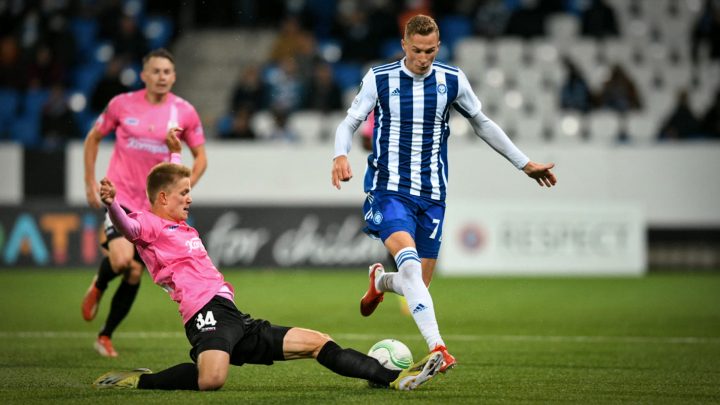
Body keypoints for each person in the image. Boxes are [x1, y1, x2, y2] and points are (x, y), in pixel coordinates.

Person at [91, 136, 443, 391]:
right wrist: (112, 205)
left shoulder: (180, 225)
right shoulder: (148, 224)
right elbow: (130, 226)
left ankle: (392, 378)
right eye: (184, 193)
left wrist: (174, 149)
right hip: (205, 316)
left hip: (234, 316)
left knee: (317, 341)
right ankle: (140, 380)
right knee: (211, 380)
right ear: (164, 198)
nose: (190, 197)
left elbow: (166, 179)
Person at [330, 14, 557, 373]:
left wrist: (524, 163)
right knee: (407, 258)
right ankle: (439, 347)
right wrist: (340, 154)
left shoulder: (451, 80)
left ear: (438, 47)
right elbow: (350, 121)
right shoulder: (380, 78)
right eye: (418, 51)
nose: (424, 58)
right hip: (389, 189)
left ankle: (379, 281)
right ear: (404, 45)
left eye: (431, 51)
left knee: (415, 282)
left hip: (433, 194)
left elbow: (482, 123)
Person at [81, 48, 208, 358]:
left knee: (135, 274)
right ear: (144, 75)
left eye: (167, 72)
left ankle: (105, 335)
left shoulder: (185, 112)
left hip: (154, 208)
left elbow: (201, 157)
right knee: (123, 261)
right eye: (156, 71)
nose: (162, 76)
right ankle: (99, 283)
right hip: (121, 198)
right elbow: (93, 138)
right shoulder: (121, 105)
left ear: (174, 77)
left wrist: (181, 190)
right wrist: (89, 182)